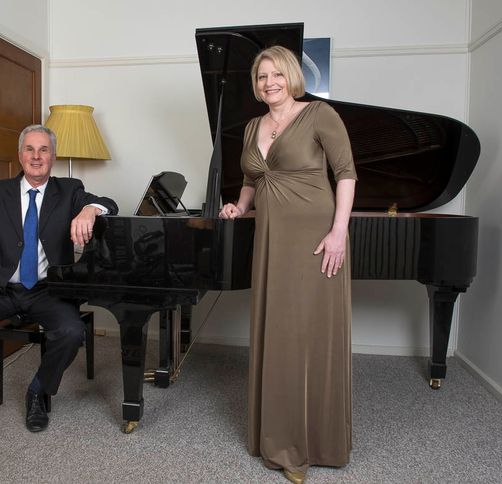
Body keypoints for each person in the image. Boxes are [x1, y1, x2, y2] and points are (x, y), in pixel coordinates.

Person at [219, 46, 357, 483]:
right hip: (271, 238)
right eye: (262, 77)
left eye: (277, 74)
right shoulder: (252, 127)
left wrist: (338, 232)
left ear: (292, 77)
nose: (269, 83)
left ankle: (309, 445)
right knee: (278, 332)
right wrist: (240, 207)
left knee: (306, 335)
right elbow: (251, 179)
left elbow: (346, 174)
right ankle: (277, 436)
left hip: (316, 237)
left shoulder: (320, 115)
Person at [0, 124, 118, 450]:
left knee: (71, 331)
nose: (36, 156)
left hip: (47, 291)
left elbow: (110, 203)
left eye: (43, 150)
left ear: (53, 156)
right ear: (20, 155)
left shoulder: (70, 190)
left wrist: (90, 209)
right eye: (30, 149)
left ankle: (38, 390)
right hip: (0, 289)